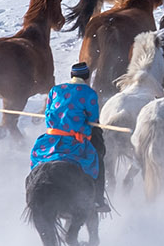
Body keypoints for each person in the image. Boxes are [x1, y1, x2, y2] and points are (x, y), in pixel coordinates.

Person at [29, 62, 107, 209]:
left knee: (36, 160)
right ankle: (98, 199)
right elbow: (93, 119)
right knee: (96, 159)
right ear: (87, 77)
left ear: (72, 75)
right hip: (74, 142)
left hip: (51, 140)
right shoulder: (89, 93)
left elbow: (48, 114)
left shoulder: (55, 90)